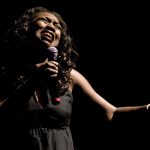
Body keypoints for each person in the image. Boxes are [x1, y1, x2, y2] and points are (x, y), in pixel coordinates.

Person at [0, 6, 149, 150]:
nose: (51, 26)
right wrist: (33, 81)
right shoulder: (8, 71)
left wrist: (147, 108)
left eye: (56, 25)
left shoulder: (69, 76)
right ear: (26, 28)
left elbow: (112, 113)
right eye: (45, 20)